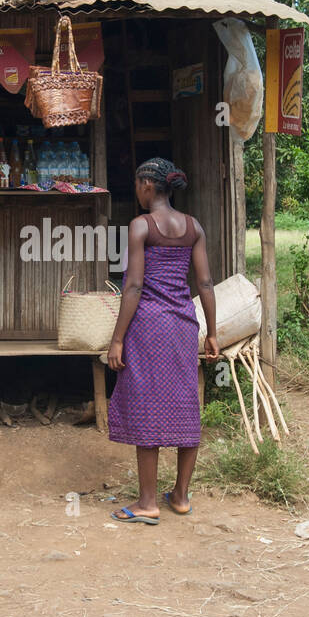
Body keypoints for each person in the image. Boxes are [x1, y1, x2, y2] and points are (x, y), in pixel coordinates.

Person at [106, 158, 219, 524]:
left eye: (138, 185)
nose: (137, 191)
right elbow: (204, 284)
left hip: (149, 326)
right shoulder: (193, 227)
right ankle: (181, 496)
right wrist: (212, 332)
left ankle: (148, 503)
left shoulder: (141, 226)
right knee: (187, 404)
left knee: (146, 406)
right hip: (184, 325)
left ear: (148, 186)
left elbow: (134, 286)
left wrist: (117, 338)